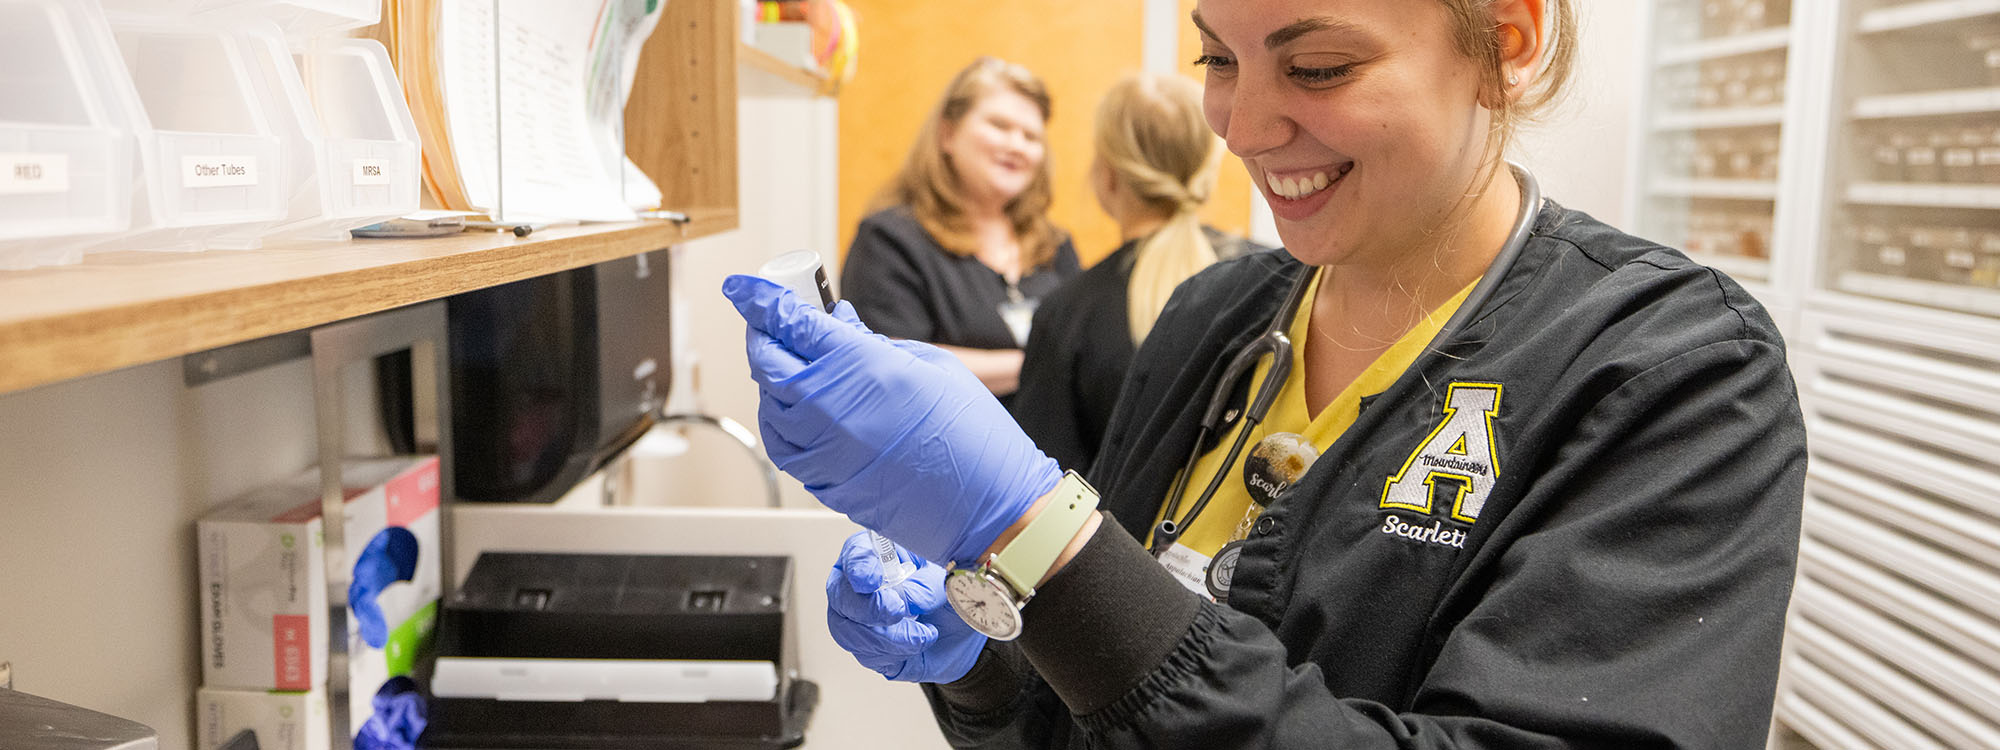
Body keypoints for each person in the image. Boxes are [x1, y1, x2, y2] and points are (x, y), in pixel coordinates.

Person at [723, 0, 1806, 746]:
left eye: (1317, 66)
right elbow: (1092, 718)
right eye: (1218, 58)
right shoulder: (1213, 317)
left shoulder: (1670, 373)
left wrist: (1035, 537)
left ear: (1503, 42)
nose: (1242, 126)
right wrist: (986, 662)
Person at [1014, 71, 1262, 473]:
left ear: (1108, 174)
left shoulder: (1065, 315)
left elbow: (1046, 493)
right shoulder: (1278, 280)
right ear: (1206, 165)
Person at [840, 57, 1082, 407]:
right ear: (947, 134)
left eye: (1031, 136)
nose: (1017, 145)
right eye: (1000, 126)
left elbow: (1085, 350)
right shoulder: (890, 241)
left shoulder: (1054, 246)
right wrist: (1037, 365)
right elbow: (895, 365)